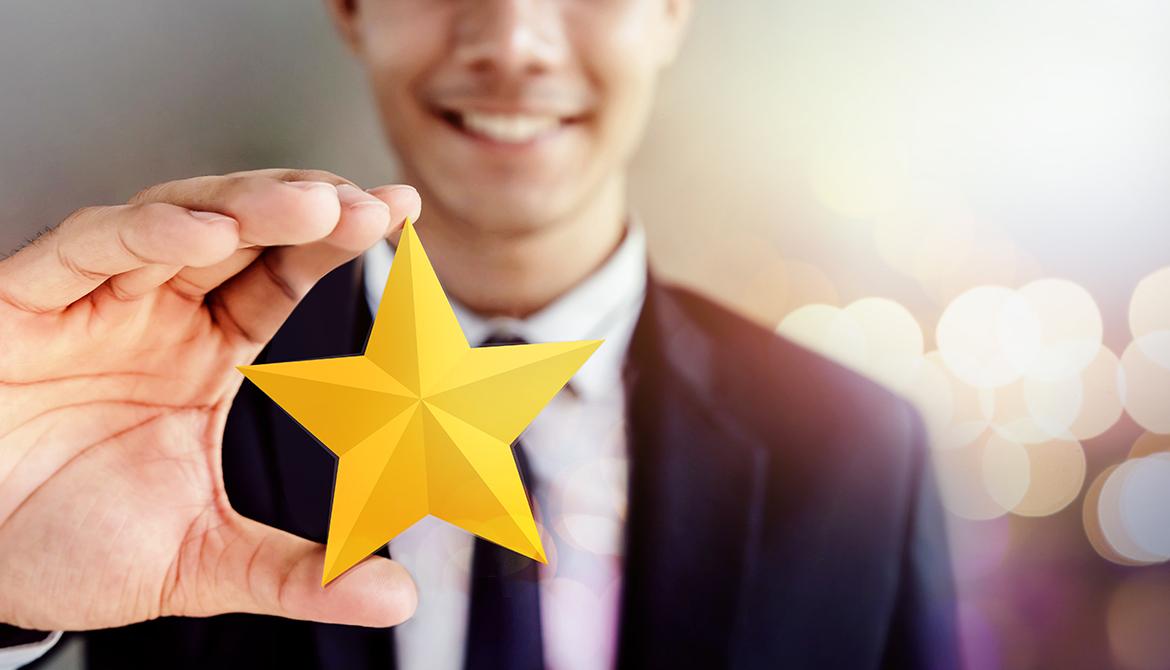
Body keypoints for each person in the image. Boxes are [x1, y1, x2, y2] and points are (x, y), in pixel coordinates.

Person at [0, 0, 959, 668]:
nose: (511, 39)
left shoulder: (859, 458)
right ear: (349, 7)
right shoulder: (167, 412)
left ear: (673, 8)